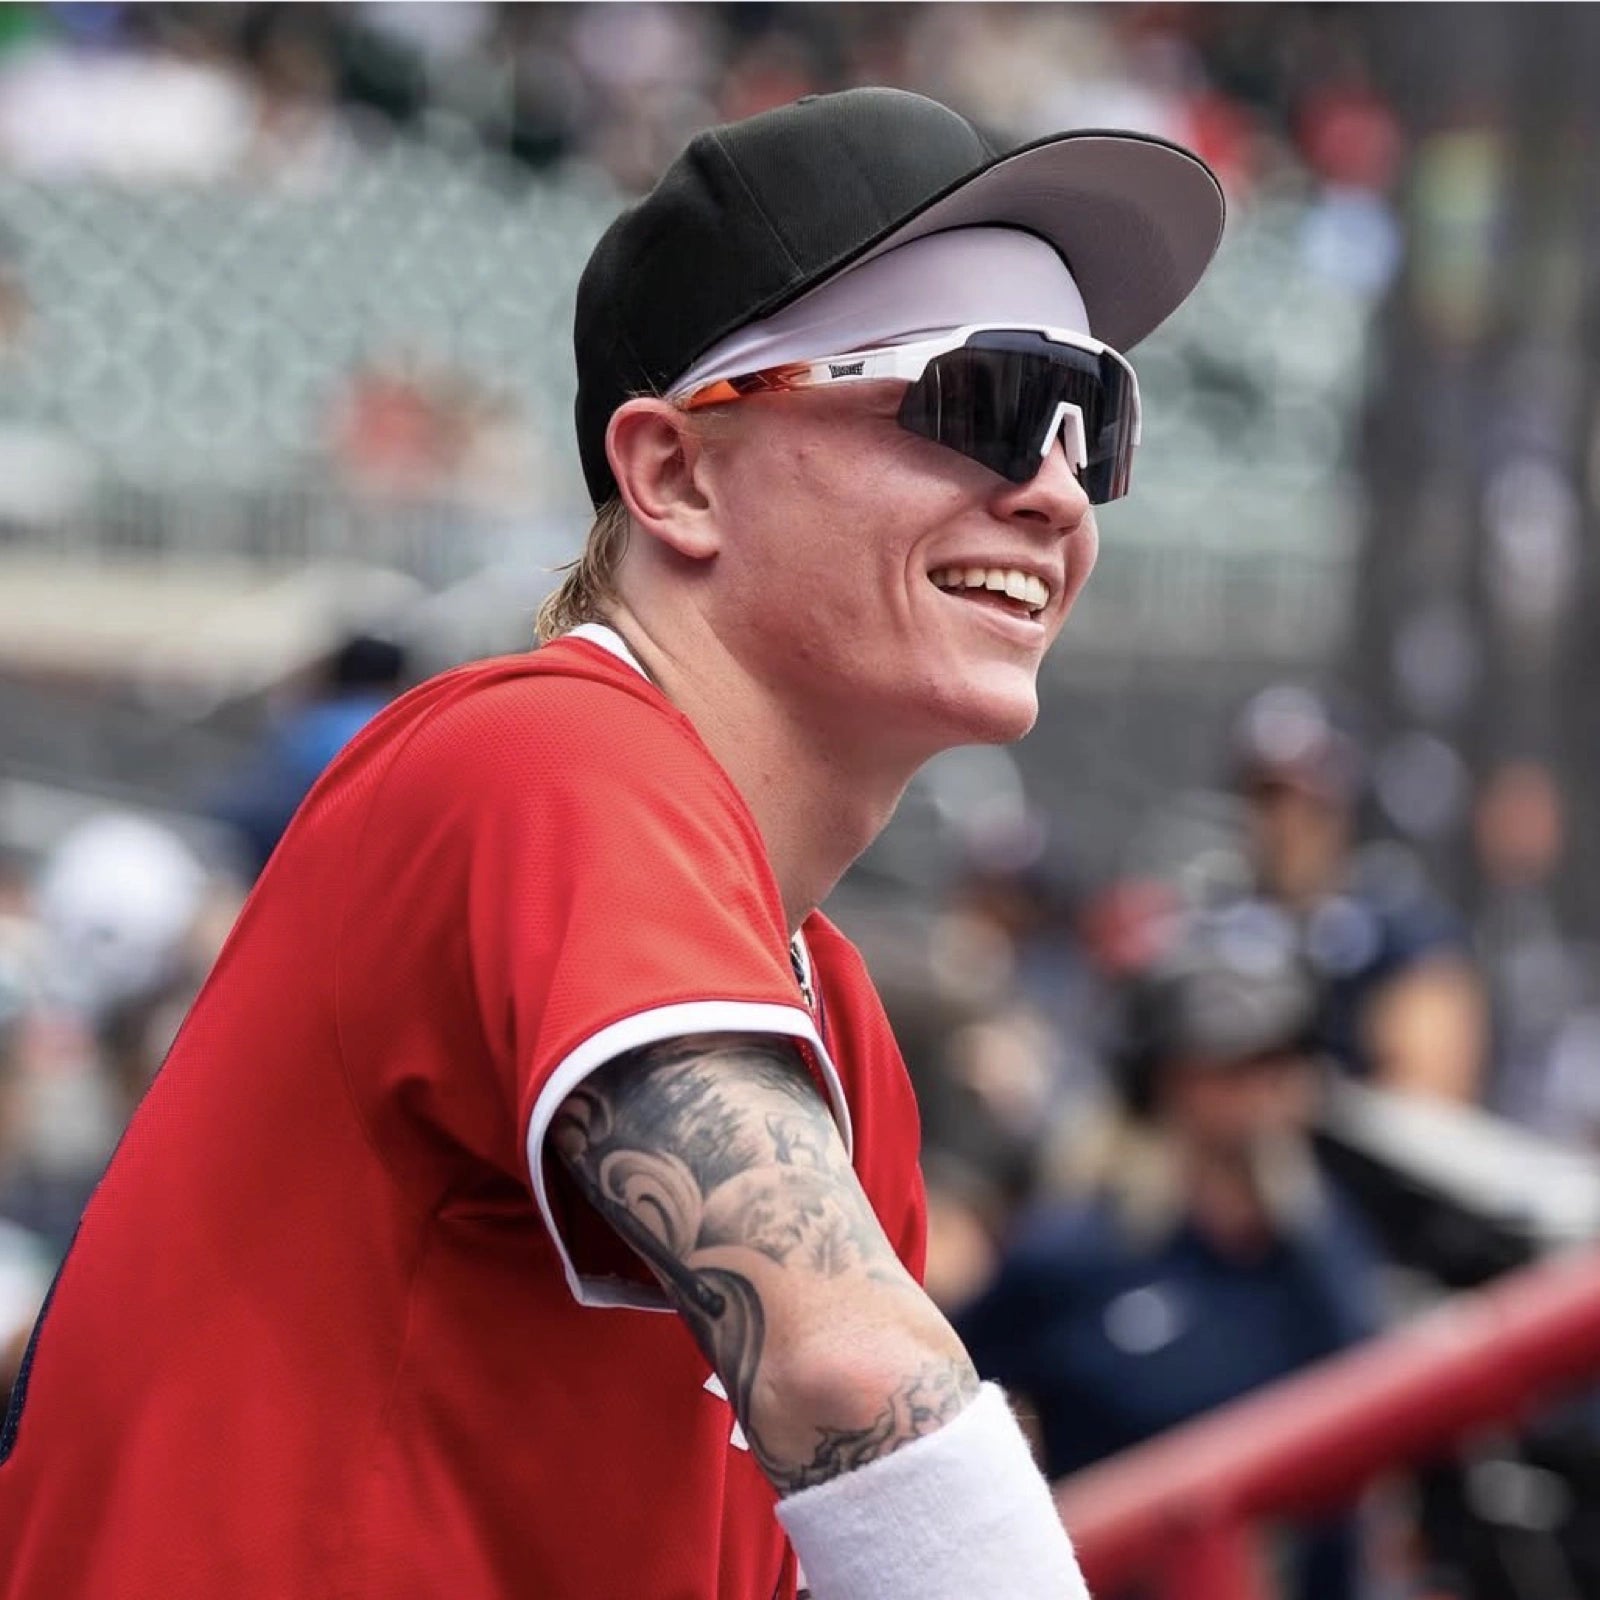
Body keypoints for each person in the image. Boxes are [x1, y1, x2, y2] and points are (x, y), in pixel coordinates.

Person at [0, 88, 1223, 1598]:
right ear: (675, 475)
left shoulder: (837, 1017)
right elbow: (848, 1378)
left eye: (1090, 419)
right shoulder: (543, 752)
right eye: (977, 399)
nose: (1049, 490)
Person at [957, 915, 1383, 1600]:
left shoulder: (1326, 1247)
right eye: (1236, 1063)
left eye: (1282, 1059)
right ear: (1169, 1077)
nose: (1265, 1086)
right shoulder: (1079, 1253)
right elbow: (947, 1401)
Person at [1223, 684, 1487, 1103]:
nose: (1287, 823)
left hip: (1356, 1160)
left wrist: (1308, 1096)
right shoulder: (1212, 929)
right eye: (1268, 797)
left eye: (1310, 802)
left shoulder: (1400, 931)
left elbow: (1431, 1095)